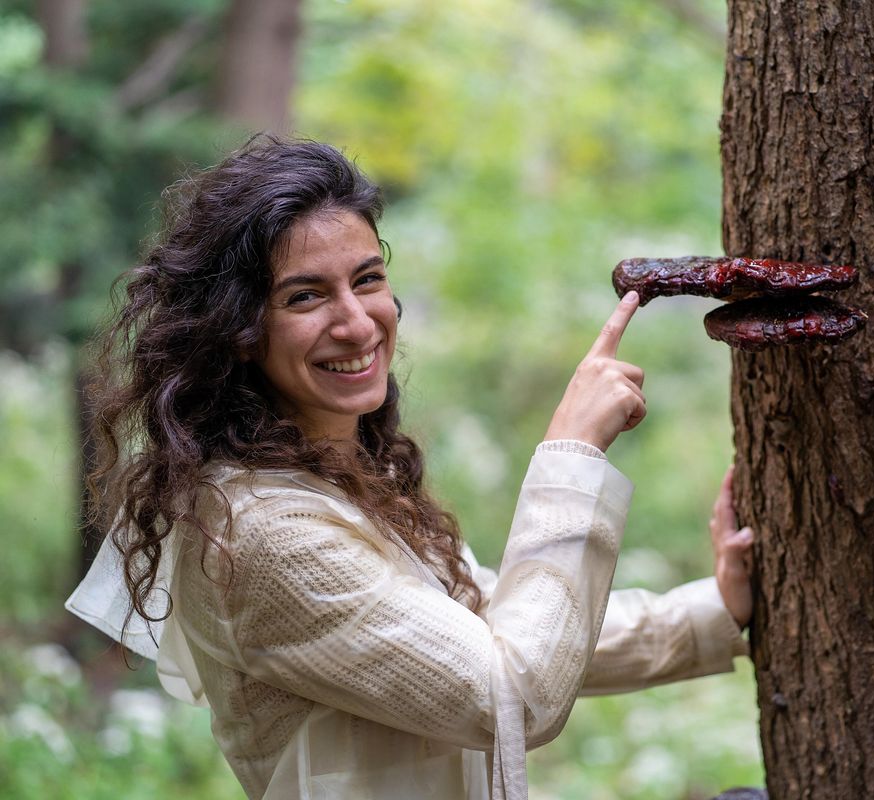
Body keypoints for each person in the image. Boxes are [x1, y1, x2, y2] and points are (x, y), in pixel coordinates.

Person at [66, 137, 753, 800]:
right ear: (240, 331)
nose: (359, 324)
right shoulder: (256, 531)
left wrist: (715, 611)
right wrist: (572, 450)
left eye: (367, 280)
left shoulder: (342, 477)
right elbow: (511, 695)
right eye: (305, 297)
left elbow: (492, 627)